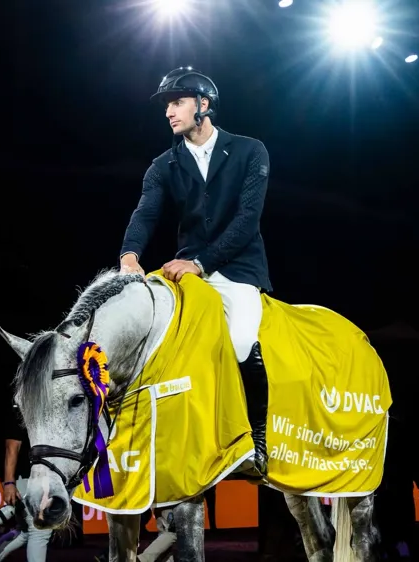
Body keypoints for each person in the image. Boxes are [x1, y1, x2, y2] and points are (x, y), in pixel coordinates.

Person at [118, 66, 274, 477]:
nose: (169, 112)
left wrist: (203, 262)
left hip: (238, 268)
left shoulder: (250, 150)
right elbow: (146, 213)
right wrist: (129, 256)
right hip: (186, 270)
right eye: (167, 105)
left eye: (177, 102)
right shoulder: (163, 164)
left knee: (240, 340)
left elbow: (248, 220)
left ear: (203, 105)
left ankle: (258, 441)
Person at [0, 391, 53, 562]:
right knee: (40, 530)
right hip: (24, 477)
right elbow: (12, 447)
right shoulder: (23, 405)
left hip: (30, 477)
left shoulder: (39, 406)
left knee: (24, 531)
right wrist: (9, 482)